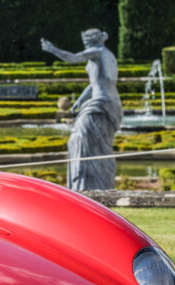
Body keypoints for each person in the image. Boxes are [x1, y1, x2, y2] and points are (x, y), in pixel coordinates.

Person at [42, 29, 121, 191]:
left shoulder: (97, 52)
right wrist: (80, 100)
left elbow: (72, 58)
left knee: (80, 139)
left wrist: (52, 49)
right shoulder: (108, 55)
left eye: (87, 41)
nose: (85, 45)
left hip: (100, 105)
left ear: (94, 40)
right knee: (97, 144)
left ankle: (86, 185)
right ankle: (98, 184)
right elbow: (96, 83)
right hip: (108, 103)